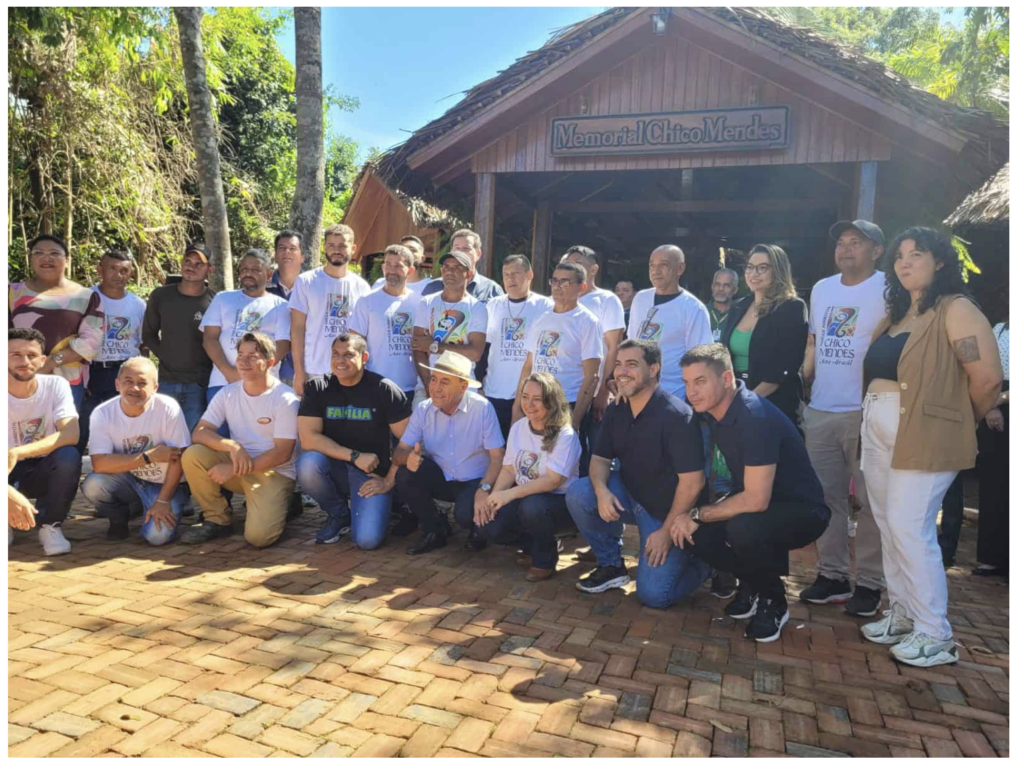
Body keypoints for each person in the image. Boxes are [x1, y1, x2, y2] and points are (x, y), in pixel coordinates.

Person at [858, 227, 1002, 667]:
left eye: (916, 254)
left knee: (909, 526)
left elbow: (988, 380)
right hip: (880, 429)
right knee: (888, 523)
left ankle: (935, 633)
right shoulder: (897, 314)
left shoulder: (954, 309)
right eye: (899, 256)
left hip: (924, 433)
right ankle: (902, 614)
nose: (904, 263)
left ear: (939, 262)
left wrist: (958, 422)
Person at [674, 344, 830, 642]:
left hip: (803, 511)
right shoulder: (713, 409)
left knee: (741, 526)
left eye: (701, 381)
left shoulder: (753, 416)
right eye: (687, 383)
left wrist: (698, 513)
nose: (691, 392)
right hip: (762, 505)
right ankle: (753, 581)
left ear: (727, 377)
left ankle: (773, 599)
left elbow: (756, 500)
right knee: (688, 532)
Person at [566, 340, 711, 607]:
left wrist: (666, 531)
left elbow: (694, 483)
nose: (621, 371)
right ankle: (612, 566)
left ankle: (707, 564)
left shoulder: (677, 416)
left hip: (667, 511)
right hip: (631, 494)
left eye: (632, 365)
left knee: (656, 595)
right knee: (579, 493)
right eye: (618, 365)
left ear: (654, 369)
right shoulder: (618, 408)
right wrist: (601, 492)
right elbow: (599, 459)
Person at [799, 220, 888, 616]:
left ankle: (869, 582)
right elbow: (816, 341)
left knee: (870, 501)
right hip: (820, 410)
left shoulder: (890, 288)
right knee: (826, 499)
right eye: (841, 242)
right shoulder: (822, 289)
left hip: (866, 410)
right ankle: (832, 575)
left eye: (856, 242)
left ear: (877, 251)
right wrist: (805, 383)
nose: (846, 248)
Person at [180, 332, 301, 547]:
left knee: (258, 538)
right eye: (240, 354)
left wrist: (233, 469)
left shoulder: (286, 398)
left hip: (274, 472)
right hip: (240, 463)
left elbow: (283, 453)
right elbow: (199, 431)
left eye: (252, 356)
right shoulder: (227, 393)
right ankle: (217, 519)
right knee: (193, 455)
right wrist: (231, 445)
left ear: (270, 362)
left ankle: (288, 502)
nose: (243, 361)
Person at [297, 334, 411, 550]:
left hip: (371, 474)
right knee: (307, 464)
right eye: (335, 354)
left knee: (367, 541)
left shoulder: (384, 389)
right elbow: (308, 438)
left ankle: (392, 502)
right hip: (334, 467)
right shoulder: (318, 387)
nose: (340, 361)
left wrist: (388, 481)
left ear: (364, 357)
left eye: (348, 355)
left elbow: (409, 441)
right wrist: (354, 456)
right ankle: (339, 514)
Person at [393, 351, 505, 556]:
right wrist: (407, 458)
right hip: (442, 478)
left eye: (445, 382)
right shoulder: (423, 409)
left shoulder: (482, 409)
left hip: (474, 481)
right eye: (434, 379)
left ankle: (477, 528)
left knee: (465, 515)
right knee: (405, 474)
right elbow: (400, 451)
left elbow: (498, 458)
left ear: (463, 386)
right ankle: (434, 530)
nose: (435, 387)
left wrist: (485, 489)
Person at [476, 372, 581, 581]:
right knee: (490, 526)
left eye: (537, 399)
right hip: (525, 498)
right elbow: (508, 470)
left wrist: (510, 495)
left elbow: (553, 481)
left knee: (532, 506)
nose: (529, 404)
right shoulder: (518, 427)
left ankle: (545, 559)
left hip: (559, 504)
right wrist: (494, 497)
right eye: (524, 397)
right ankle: (531, 546)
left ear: (551, 402)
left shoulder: (565, 435)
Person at [80, 357, 191, 545]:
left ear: (155, 387)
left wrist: (163, 501)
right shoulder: (103, 413)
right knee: (93, 485)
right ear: (117, 384)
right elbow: (100, 463)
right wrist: (149, 457)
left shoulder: (167, 408)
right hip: (128, 479)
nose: (134, 388)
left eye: (142, 383)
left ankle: (151, 505)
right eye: (128, 382)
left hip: (164, 484)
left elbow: (178, 459)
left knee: (157, 537)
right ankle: (119, 516)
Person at [7, 327, 82, 555]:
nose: (24, 361)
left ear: (41, 361)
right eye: (15, 354)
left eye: (31, 356)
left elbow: (71, 434)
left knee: (68, 456)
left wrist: (17, 452)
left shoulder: (56, 385)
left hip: (37, 467)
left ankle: (50, 525)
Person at [9, 233, 104, 409]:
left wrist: (50, 363)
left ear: (67, 261)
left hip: (67, 379)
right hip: (17, 378)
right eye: (38, 253)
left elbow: (92, 341)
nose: (46, 258)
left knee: (63, 432)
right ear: (30, 259)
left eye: (54, 253)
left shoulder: (86, 297)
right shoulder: (12, 293)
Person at [718, 244, 807, 425]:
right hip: (735, 398)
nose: (754, 273)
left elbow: (784, 368)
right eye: (750, 267)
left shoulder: (791, 308)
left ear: (778, 271)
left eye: (763, 268)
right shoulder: (738, 306)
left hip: (773, 405)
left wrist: (745, 402)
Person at [512, 261, 603, 438]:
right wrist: (518, 405)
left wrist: (575, 420)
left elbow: (592, 376)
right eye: (554, 281)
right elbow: (528, 366)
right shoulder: (541, 318)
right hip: (535, 403)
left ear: (581, 287)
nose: (558, 286)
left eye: (565, 282)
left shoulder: (587, 321)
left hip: (566, 404)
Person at [201, 249, 291, 406]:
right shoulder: (223, 298)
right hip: (222, 382)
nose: (248, 274)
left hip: (263, 385)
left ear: (269, 275)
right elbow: (209, 338)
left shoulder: (281, 305)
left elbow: (283, 344)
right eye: (244, 269)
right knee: (216, 430)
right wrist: (229, 371)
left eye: (256, 270)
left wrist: (256, 372)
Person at [79, 249, 149, 453]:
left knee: (124, 431)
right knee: (82, 428)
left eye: (124, 270)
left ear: (131, 274)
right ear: (100, 269)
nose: (118, 275)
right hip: (92, 371)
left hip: (124, 372)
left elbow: (143, 343)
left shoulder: (138, 305)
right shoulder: (85, 298)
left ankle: (121, 480)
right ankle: (68, 482)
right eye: (112, 269)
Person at [290, 223, 372, 395]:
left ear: (353, 248)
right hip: (314, 370)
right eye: (331, 245)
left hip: (350, 372)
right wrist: (299, 372)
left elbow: (364, 336)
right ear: (325, 247)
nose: (337, 250)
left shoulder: (362, 287)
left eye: (342, 245)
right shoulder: (306, 281)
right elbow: (297, 329)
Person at [142, 242, 216, 432]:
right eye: (187, 261)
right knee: (163, 436)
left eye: (199, 264)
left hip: (199, 384)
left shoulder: (215, 302)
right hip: (166, 381)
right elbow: (148, 334)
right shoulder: (161, 296)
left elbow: (217, 342)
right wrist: (166, 356)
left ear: (210, 269)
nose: (191, 266)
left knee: (193, 439)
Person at [627, 245, 712, 399]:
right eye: (652, 265)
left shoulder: (693, 308)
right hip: (636, 392)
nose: (655, 271)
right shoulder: (640, 299)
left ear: (680, 268)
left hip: (673, 395)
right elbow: (632, 343)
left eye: (663, 265)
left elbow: (700, 360)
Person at [483, 255, 552, 439]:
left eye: (515, 273)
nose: (510, 279)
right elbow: (485, 347)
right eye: (506, 275)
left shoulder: (546, 305)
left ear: (530, 274)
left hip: (530, 396)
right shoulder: (494, 305)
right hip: (494, 390)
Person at [350, 244, 422, 401]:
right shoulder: (366, 302)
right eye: (388, 264)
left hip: (410, 387)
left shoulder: (420, 303)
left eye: (398, 266)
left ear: (410, 271)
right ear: (382, 267)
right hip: (375, 384)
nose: (391, 270)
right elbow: (355, 344)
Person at [412, 250, 488, 391]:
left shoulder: (477, 308)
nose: (450, 271)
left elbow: (475, 353)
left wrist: (434, 346)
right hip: (427, 385)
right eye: (446, 266)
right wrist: (430, 386)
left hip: (463, 386)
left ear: (469, 274)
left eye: (457, 267)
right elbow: (418, 347)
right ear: (441, 271)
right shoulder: (426, 303)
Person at [973, 319, 1008, 578]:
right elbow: (984, 372)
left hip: (1004, 400)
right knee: (993, 484)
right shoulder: (998, 329)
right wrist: (990, 407)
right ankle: (990, 558)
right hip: (993, 407)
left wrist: (1001, 400)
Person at [420, 229, 504, 302]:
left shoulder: (491, 290)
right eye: (457, 248)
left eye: (466, 248)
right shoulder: (433, 287)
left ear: (478, 254)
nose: (461, 252)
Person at [268, 230, 305, 384]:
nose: (287, 252)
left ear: (302, 256)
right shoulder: (262, 287)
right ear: (275, 255)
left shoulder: (312, 288)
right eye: (282, 248)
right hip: (269, 370)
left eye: (293, 248)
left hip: (304, 369)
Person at [708, 268, 739, 343]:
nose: (721, 289)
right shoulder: (701, 311)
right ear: (712, 287)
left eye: (726, 285)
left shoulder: (739, 316)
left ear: (735, 290)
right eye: (717, 284)